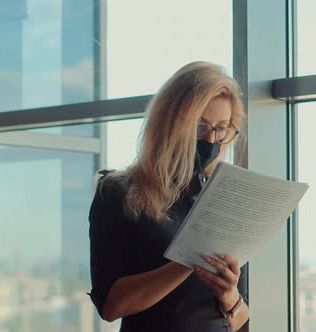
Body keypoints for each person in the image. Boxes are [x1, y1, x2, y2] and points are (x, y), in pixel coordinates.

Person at [88, 62, 249, 332]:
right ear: (171, 122)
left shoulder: (219, 198)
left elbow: (241, 318)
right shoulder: (120, 192)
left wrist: (229, 294)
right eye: (201, 126)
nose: (211, 139)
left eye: (221, 129)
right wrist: (188, 261)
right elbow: (111, 306)